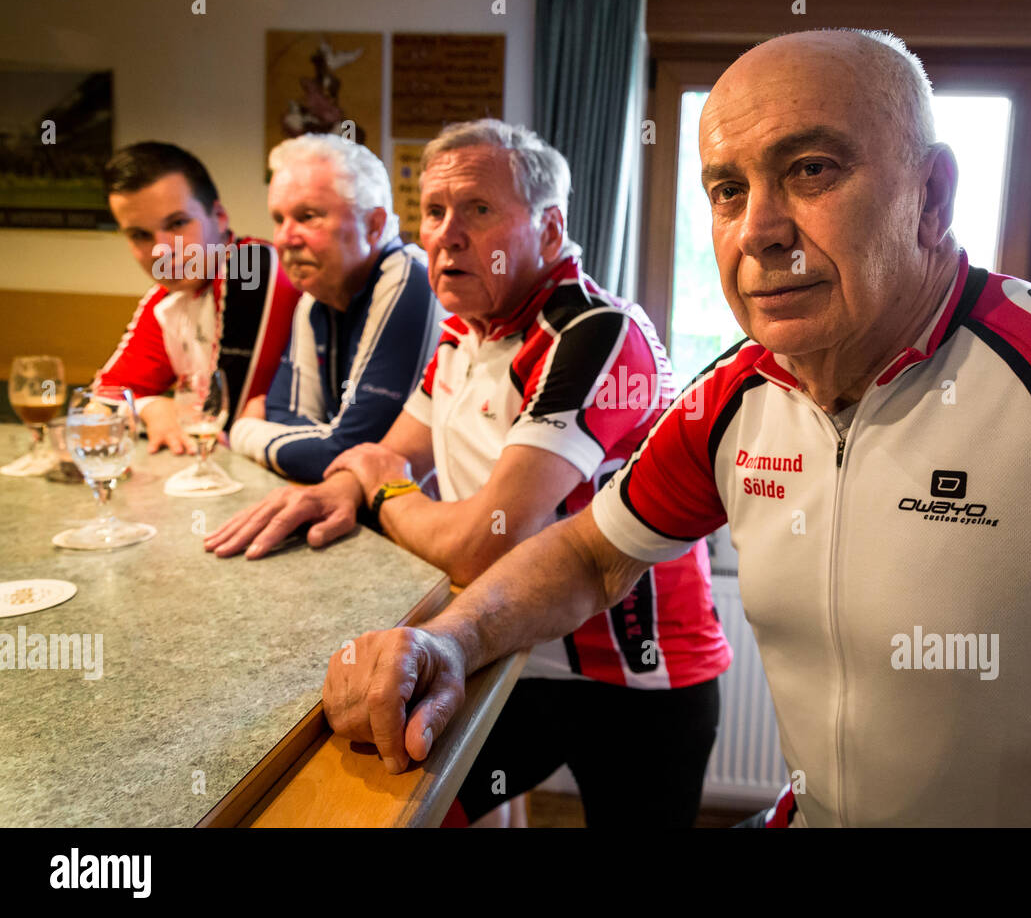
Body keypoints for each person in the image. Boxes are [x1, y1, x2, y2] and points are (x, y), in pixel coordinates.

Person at [314, 29, 1031, 828]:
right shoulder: (734, 397)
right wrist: (450, 638)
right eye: (727, 188)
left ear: (932, 195)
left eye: (813, 168)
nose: (759, 230)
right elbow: (584, 553)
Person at [206, 120, 732, 827]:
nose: (446, 235)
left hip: (639, 676)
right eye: (433, 212)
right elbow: (389, 452)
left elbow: (486, 537)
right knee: (400, 806)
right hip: (508, 640)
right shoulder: (464, 330)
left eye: (478, 210)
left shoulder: (596, 332)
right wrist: (336, 487)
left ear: (549, 230)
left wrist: (384, 490)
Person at [228, 134, 438, 483]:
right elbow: (285, 414)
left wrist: (243, 430)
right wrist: (317, 439)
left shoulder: (408, 278)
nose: (284, 238)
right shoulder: (315, 296)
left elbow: (350, 449)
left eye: (308, 217)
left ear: (372, 225)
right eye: (279, 219)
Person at [98, 141, 300, 453]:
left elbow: (223, 426)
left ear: (219, 216)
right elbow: (99, 403)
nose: (162, 250)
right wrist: (151, 408)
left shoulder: (252, 268)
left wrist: (155, 408)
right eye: (140, 235)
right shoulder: (167, 299)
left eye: (177, 223)